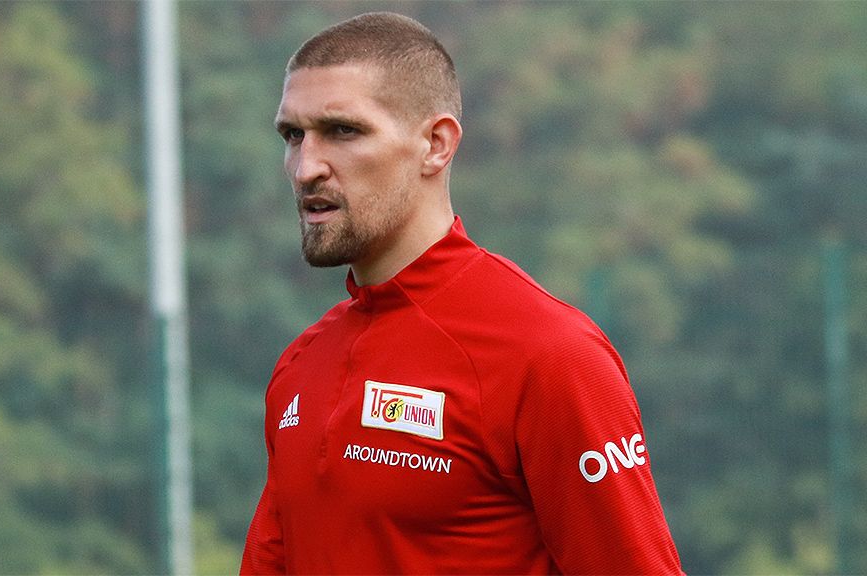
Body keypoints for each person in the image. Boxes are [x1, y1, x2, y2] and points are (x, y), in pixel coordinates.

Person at [241, 11, 683, 575]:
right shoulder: (301, 365)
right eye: (292, 135)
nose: (305, 168)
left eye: (343, 131)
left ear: (435, 144)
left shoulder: (550, 354)